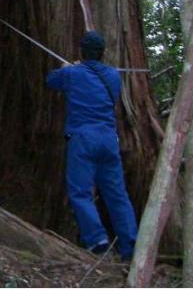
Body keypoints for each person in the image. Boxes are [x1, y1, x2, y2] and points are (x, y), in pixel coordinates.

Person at [45, 31, 137, 261]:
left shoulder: (72, 73)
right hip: (108, 140)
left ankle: (97, 240)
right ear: (102, 53)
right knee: (117, 194)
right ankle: (131, 245)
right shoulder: (114, 76)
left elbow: (51, 80)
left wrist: (67, 67)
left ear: (81, 51)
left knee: (80, 191)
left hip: (83, 138)